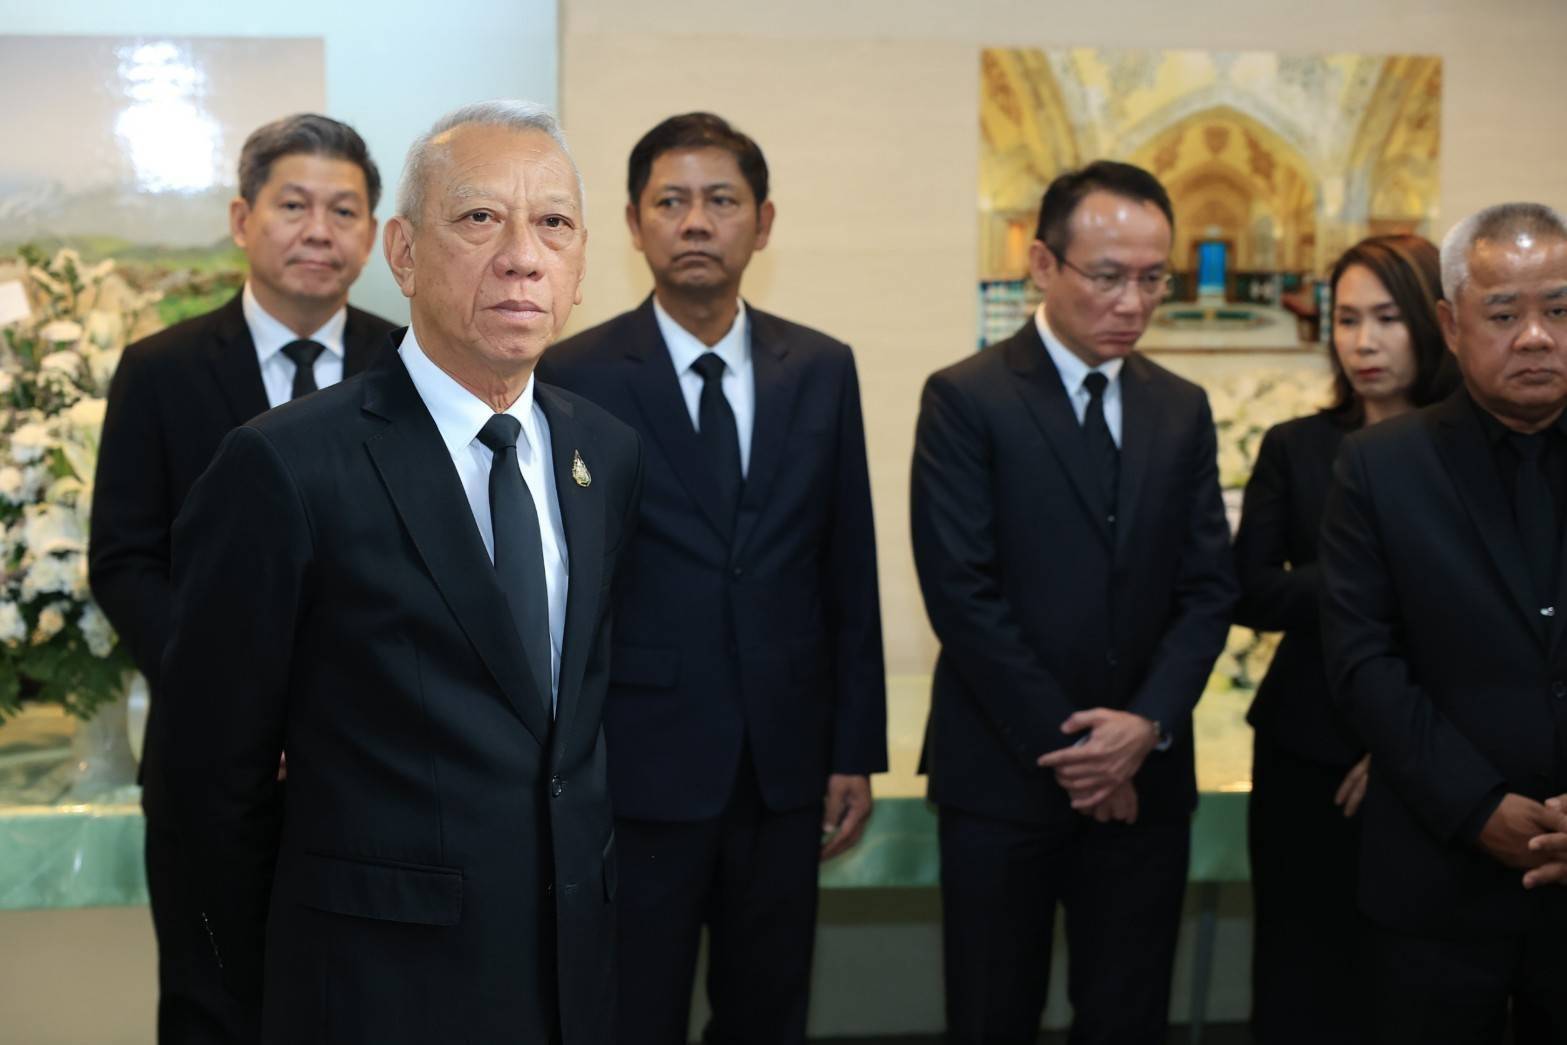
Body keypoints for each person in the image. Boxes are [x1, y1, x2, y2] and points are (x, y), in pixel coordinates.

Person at [156, 100, 642, 1044]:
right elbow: (207, 784)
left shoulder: (605, 453)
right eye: (479, 217)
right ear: (405, 253)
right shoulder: (286, 465)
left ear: (581, 264)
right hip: (372, 988)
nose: (522, 255)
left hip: (569, 978)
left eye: (553, 222)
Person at [538, 112, 886, 1045]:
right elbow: (559, 588)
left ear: (762, 223)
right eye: (671, 202)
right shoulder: (573, 375)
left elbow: (847, 564)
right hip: (635, 762)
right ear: (633, 222)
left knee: (768, 1012)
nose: (696, 222)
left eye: (721, 200)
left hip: (784, 763)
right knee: (632, 1012)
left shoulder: (820, 368)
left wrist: (852, 748)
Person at [909, 160, 1236, 1044]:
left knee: (1128, 1015)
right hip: (1004, 774)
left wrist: (1143, 727)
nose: (1132, 302)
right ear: (1042, 263)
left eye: (1152, 278)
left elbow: (1208, 588)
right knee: (992, 1013)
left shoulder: (1179, 407)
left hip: (1146, 778)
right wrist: (1085, 755)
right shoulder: (966, 397)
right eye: (1107, 276)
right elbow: (962, 594)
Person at [88, 112, 394, 1045]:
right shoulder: (161, 370)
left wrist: (330, 712)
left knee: (366, 1008)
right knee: (213, 1008)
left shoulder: (409, 371)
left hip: (372, 768)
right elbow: (126, 560)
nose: (318, 231)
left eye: (344, 211)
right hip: (212, 770)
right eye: (293, 205)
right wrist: (243, 708)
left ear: (374, 234)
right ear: (241, 219)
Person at [1319, 202, 1567, 1045]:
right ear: (1451, 325)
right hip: (1437, 878)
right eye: (1502, 314)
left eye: (1558, 309)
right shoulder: (1380, 467)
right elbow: (1362, 661)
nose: (1534, 337)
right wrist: (1476, 805)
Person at [1234, 234, 1457, 1044]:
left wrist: (1403, 739)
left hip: (1435, 749)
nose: (1364, 342)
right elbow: (1249, 589)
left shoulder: (1472, 448)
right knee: (1295, 969)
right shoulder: (1296, 446)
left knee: (1410, 981)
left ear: (1435, 322)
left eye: (1387, 318)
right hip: (1302, 742)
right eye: (1348, 319)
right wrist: (1375, 574)